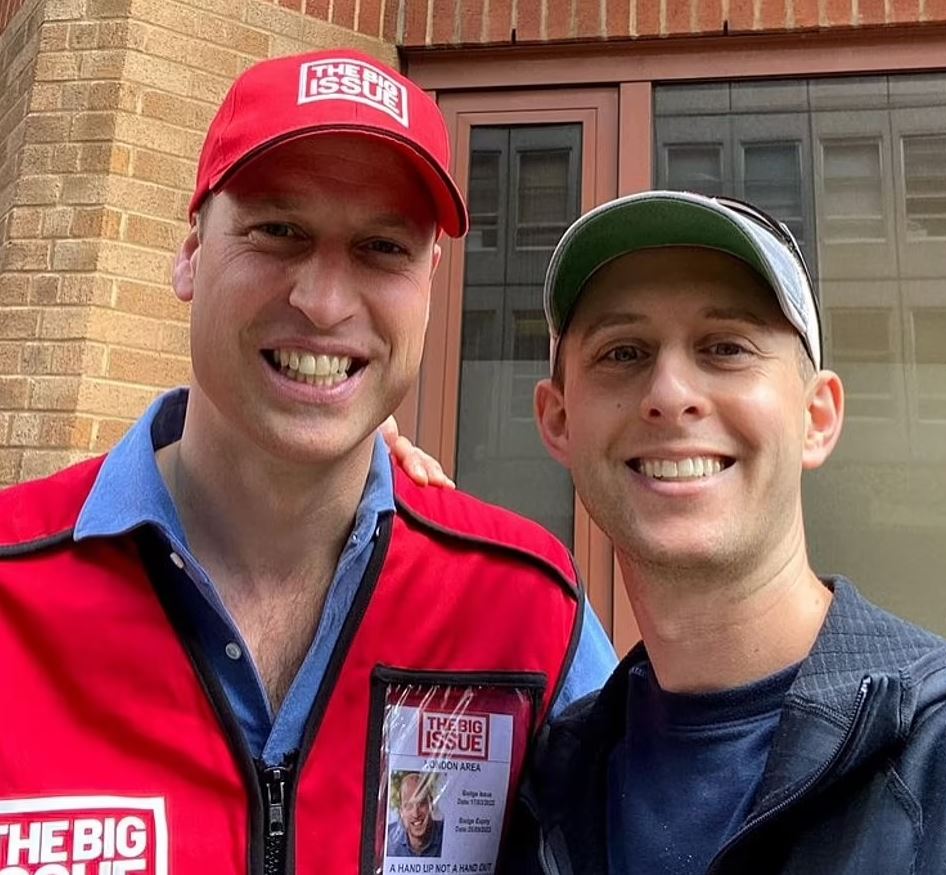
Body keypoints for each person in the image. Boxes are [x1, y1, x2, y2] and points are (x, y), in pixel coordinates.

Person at [0, 50, 616, 874]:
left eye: (382, 247)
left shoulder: (527, 609)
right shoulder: (14, 587)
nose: (324, 302)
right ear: (189, 253)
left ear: (431, 281)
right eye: (278, 231)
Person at [504, 191, 946, 874]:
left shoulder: (939, 755)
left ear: (818, 416)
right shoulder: (546, 783)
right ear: (559, 422)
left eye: (725, 347)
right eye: (623, 352)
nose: (670, 390)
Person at [388, 772, 444, 858]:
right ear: (401, 811)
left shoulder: (446, 833)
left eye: (421, 803)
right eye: (408, 806)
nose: (415, 814)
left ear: (431, 805)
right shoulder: (388, 839)